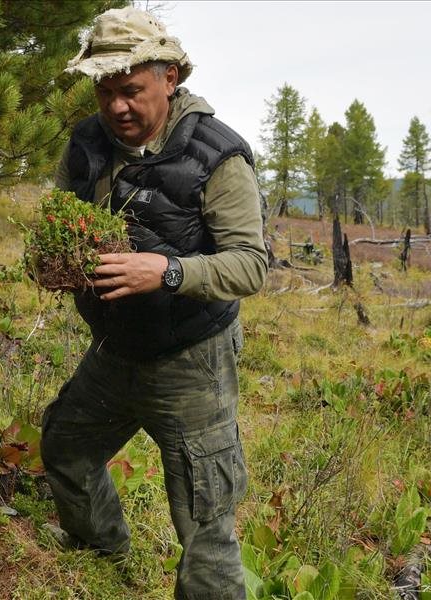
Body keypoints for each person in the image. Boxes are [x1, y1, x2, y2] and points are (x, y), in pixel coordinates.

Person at [41, 7, 267, 600]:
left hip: (192, 357)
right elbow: (61, 216)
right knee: (66, 447)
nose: (117, 107)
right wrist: (56, 260)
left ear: (170, 78)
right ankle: (102, 559)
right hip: (115, 350)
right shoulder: (89, 143)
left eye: (132, 91)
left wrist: (166, 272)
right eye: (105, 92)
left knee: (203, 514)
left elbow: (251, 264)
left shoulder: (220, 157)